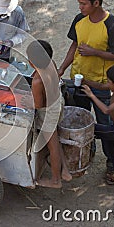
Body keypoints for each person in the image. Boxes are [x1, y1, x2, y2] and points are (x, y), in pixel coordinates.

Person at [57, 0, 114, 171]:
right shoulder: (79, 20)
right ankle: (88, 150)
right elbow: (74, 45)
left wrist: (95, 52)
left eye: (83, 3)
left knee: (106, 126)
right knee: (81, 120)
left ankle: (112, 161)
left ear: (96, 3)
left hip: (101, 86)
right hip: (78, 80)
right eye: (79, 3)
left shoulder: (112, 26)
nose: (80, 7)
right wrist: (62, 68)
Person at [25, 40, 72, 188]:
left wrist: (28, 102)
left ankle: (55, 180)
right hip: (57, 102)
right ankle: (65, 171)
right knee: (55, 138)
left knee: (52, 146)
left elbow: (38, 105)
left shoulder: (37, 81)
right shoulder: (50, 63)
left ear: (32, 62)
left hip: (48, 113)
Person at [82, 64, 114, 188]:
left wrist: (91, 95)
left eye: (109, 82)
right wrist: (86, 81)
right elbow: (100, 86)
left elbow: (106, 110)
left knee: (89, 129)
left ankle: (82, 156)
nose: (107, 84)